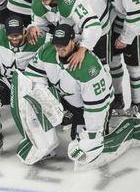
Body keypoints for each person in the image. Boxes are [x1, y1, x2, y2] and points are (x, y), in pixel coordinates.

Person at [19, 24, 112, 164]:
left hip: (90, 106)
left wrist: (93, 136)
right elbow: (33, 74)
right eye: (56, 44)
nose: (60, 49)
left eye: (63, 44)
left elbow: (97, 107)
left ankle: (100, 136)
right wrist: (44, 98)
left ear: (73, 40)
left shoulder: (89, 67)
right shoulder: (47, 51)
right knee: (34, 98)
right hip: (66, 98)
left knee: (82, 143)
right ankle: (46, 143)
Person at [0, 15, 49, 162]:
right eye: (11, 35)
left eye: (17, 34)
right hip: (7, 82)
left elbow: (64, 44)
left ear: (25, 30)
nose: (14, 38)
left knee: (35, 113)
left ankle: (44, 142)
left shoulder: (38, 38)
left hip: (29, 86)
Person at [29, 0, 114, 68]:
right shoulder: (38, 1)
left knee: (100, 64)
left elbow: (93, 25)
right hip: (75, 23)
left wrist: (82, 49)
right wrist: (34, 27)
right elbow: (41, 27)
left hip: (98, 14)